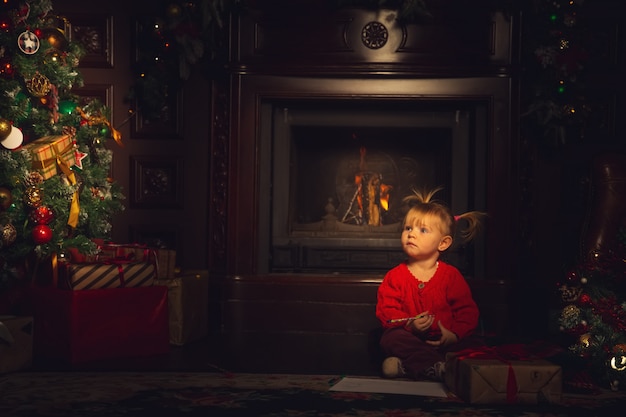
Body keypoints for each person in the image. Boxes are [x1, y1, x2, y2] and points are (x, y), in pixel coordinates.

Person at [375, 187, 486, 381]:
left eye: (423, 230)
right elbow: (387, 314)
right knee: (390, 339)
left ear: (443, 243)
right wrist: (410, 325)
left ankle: (411, 367)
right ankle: (437, 366)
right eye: (408, 228)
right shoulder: (395, 276)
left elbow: (467, 312)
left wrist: (454, 335)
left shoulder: (451, 276)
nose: (411, 234)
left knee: (475, 342)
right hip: (412, 340)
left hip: (445, 342)